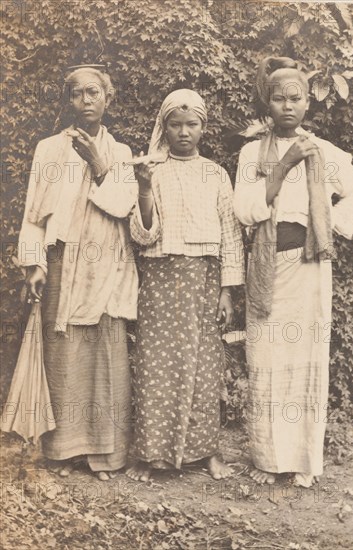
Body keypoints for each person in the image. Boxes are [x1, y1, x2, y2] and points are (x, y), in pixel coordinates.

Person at [233, 57, 353, 487]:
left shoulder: (322, 151)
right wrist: (286, 162)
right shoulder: (251, 152)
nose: (287, 106)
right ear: (266, 102)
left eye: (296, 98)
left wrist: (325, 224)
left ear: (308, 102)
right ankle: (267, 458)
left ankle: (303, 461)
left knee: (305, 359)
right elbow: (243, 209)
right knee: (266, 358)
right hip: (266, 264)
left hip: (309, 268)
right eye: (278, 98)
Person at [18, 66, 138, 480]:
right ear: (68, 101)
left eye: (93, 93)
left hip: (107, 265)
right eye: (77, 94)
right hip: (62, 263)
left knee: (105, 354)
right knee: (63, 354)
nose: (86, 101)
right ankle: (64, 451)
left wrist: (98, 162)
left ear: (108, 98)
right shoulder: (48, 149)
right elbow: (35, 212)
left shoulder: (121, 153)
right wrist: (34, 263)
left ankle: (104, 453)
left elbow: (124, 206)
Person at [127, 89, 245, 481]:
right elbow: (144, 235)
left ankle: (206, 452)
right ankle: (150, 455)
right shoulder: (151, 170)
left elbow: (230, 234)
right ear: (164, 127)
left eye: (191, 124)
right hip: (161, 278)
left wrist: (228, 290)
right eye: (174, 125)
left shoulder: (215, 173)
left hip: (204, 280)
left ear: (203, 128)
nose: (183, 132)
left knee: (204, 367)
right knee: (155, 364)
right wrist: (143, 187)